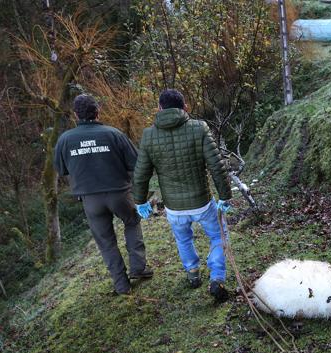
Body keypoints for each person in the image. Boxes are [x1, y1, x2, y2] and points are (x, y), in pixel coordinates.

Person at [132, 89, 232, 301]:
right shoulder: (199, 128)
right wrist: (224, 195)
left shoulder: (149, 136)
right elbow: (216, 165)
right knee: (218, 235)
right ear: (185, 106)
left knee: (183, 239)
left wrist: (140, 201)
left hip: (174, 208)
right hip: (202, 203)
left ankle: (193, 273)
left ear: (159, 108)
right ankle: (216, 277)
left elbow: (141, 175)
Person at [54, 94, 153, 295]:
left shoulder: (64, 140)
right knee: (132, 222)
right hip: (119, 193)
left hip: (90, 199)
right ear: (98, 111)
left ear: (76, 115)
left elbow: (61, 169)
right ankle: (139, 268)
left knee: (106, 241)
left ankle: (121, 285)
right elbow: (136, 163)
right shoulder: (113, 134)